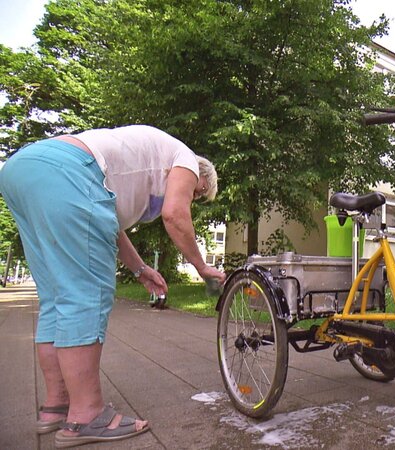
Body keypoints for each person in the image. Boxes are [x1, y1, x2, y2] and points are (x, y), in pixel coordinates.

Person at [0, 125, 226, 447]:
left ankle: (56, 406)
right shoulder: (186, 159)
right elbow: (175, 215)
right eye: (200, 191)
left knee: (56, 298)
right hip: (68, 170)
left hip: (23, 170)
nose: (195, 196)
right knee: (85, 296)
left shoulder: (139, 166)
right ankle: (87, 416)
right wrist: (202, 267)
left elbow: (107, 226)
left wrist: (140, 269)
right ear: (201, 174)